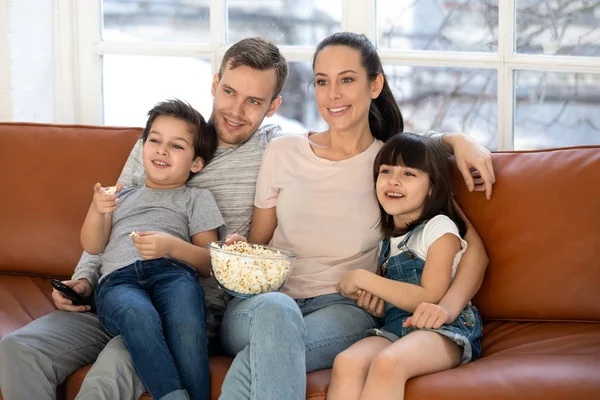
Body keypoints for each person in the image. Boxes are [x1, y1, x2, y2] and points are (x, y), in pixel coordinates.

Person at [0, 36, 493, 400]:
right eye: (230, 92)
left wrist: (454, 140)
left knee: (132, 366)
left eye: (254, 100)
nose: (237, 110)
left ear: (274, 105)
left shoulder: (300, 153)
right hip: (127, 286)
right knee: (17, 352)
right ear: (214, 84)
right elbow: (116, 210)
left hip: (214, 304)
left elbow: (428, 198)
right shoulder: (168, 141)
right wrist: (83, 280)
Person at [218, 32, 490, 400]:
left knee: (270, 348)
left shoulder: (390, 168)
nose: (333, 95)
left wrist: (455, 140)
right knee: (277, 313)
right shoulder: (282, 152)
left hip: (344, 308)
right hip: (262, 305)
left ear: (375, 84)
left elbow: (472, 248)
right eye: (322, 82)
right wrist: (238, 251)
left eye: (347, 79)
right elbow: (259, 244)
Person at [80, 99, 225, 400]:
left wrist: (171, 246)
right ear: (143, 147)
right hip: (118, 281)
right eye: (155, 141)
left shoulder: (197, 199)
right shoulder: (120, 196)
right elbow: (93, 246)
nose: (161, 150)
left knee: (187, 324)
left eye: (176, 146)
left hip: (174, 276)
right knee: (139, 315)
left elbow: (209, 264)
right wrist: (97, 211)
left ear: (196, 163)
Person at [327, 132, 483, 400]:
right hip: (397, 327)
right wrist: (375, 300)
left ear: (432, 188)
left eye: (409, 174)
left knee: (388, 363)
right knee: (347, 362)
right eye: (385, 171)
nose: (394, 180)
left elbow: (430, 296)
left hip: (444, 329)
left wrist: (365, 279)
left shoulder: (439, 228)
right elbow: (392, 295)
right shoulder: (385, 243)